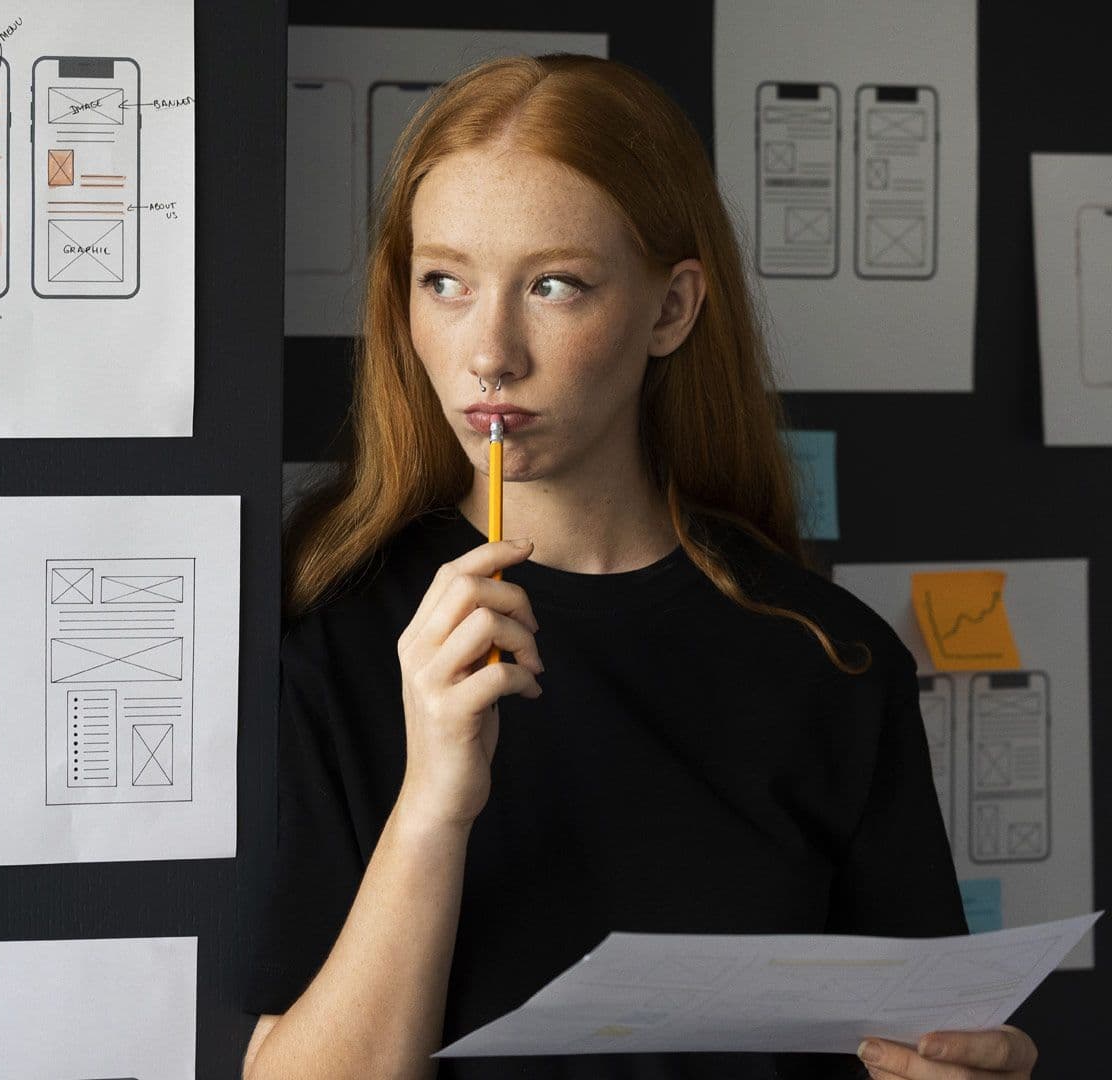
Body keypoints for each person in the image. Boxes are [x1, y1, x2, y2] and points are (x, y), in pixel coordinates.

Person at [241, 54, 1040, 1080]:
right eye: (444, 281)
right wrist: (434, 802)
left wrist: (976, 1065)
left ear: (671, 311)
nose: (490, 351)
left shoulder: (829, 660)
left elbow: (916, 1040)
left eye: (554, 285)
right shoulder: (327, 633)